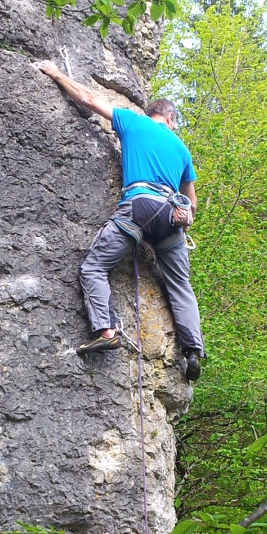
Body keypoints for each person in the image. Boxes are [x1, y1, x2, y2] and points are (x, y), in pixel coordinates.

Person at [33, 60, 204, 381]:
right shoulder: (182, 150)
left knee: (93, 267)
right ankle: (193, 351)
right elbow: (191, 203)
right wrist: (186, 215)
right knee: (180, 284)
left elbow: (88, 99)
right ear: (170, 118)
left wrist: (55, 73)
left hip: (138, 207)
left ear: (153, 113)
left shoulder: (133, 122)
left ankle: (108, 331)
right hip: (171, 216)